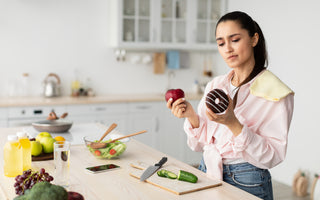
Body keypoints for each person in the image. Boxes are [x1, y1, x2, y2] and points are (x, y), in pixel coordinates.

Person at [166, 11, 294, 200]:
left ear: (254, 39)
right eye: (221, 43)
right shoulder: (216, 85)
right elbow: (198, 145)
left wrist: (233, 123)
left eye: (234, 40)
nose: (227, 48)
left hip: (247, 179)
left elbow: (272, 156)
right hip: (207, 169)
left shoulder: (276, 92)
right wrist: (192, 116)